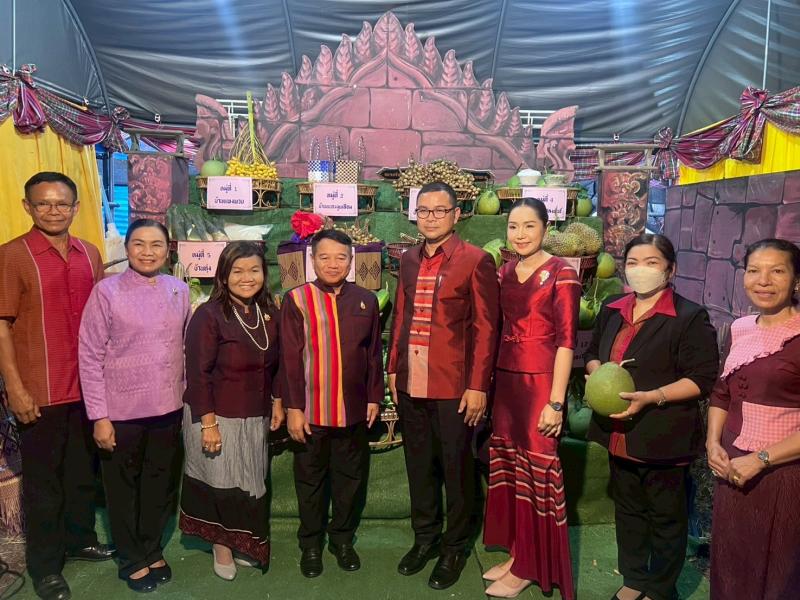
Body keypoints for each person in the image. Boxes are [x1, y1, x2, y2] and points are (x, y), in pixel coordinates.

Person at [584, 233, 719, 600]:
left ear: (670, 270)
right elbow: (593, 353)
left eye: (651, 262)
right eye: (632, 263)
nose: (640, 270)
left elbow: (702, 378)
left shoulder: (689, 317)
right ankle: (633, 580)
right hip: (618, 432)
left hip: (662, 433)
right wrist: (599, 372)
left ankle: (660, 589)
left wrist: (652, 397)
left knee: (665, 518)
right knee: (628, 511)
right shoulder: (612, 307)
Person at [0, 172, 114, 600]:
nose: (53, 211)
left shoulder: (89, 253)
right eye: (43, 203)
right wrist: (15, 388)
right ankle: (46, 567)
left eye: (62, 203)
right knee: (43, 484)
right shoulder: (12, 255)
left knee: (82, 473)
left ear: (76, 208)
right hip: (40, 388)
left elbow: (102, 318)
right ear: (27, 206)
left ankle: (80, 539)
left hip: (88, 387)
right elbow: (2, 325)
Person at [387, 181, 500, 590]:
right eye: (424, 210)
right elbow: (400, 315)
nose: (431, 218)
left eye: (440, 210)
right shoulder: (408, 259)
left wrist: (478, 386)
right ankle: (425, 539)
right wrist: (392, 367)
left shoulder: (476, 260)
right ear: (414, 215)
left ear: (456, 214)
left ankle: (455, 547)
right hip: (410, 382)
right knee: (419, 467)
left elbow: (486, 328)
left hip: (454, 386)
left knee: (457, 470)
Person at [78, 219, 190, 593]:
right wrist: (99, 416)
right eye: (139, 243)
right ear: (126, 248)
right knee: (123, 489)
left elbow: (184, 349)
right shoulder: (106, 292)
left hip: (168, 408)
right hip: (120, 414)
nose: (147, 252)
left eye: (156, 244)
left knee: (160, 486)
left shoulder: (178, 290)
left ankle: (151, 548)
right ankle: (131, 558)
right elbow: (90, 356)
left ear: (168, 250)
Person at [482, 198, 580, 599]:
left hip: (541, 384)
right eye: (513, 226)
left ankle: (531, 566)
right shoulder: (505, 271)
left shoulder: (562, 272)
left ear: (546, 228)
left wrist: (556, 403)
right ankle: (518, 553)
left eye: (529, 226)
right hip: (505, 384)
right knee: (512, 467)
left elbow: (567, 342)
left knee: (537, 471)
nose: (520, 234)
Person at [280, 228, 383, 578]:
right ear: (312, 260)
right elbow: (289, 359)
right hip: (311, 412)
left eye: (341, 257)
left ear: (351, 261)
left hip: (353, 410)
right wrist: (294, 408)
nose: (333, 264)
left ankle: (342, 540)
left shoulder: (366, 300)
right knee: (310, 482)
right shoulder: (296, 299)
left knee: (349, 480)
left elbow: (373, 355)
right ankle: (310, 544)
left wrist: (374, 396)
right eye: (324, 257)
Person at [180, 241, 284, 580]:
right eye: (237, 271)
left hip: (254, 414)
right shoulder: (209, 315)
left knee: (248, 480)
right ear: (223, 276)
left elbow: (278, 365)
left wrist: (278, 400)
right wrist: (208, 424)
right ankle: (220, 546)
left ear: (265, 274)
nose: (247, 277)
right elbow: (197, 373)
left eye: (254, 270)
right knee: (220, 481)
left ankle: (242, 541)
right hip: (215, 414)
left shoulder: (269, 313)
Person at [706, 238, 800, 600]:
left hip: (784, 474)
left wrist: (761, 459)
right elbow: (722, 393)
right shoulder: (740, 328)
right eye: (754, 270)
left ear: (796, 280)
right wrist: (712, 443)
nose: (763, 280)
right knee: (732, 560)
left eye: (777, 271)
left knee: (779, 570)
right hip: (732, 464)